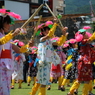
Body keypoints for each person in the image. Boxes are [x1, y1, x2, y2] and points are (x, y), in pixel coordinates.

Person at [29, 20, 68, 95]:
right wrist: (55, 24)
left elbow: (60, 43)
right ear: (43, 32)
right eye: (47, 30)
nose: (49, 31)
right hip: (42, 63)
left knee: (40, 81)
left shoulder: (50, 41)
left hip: (47, 63)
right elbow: (50, 35)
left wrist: (63, 35)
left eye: (49, 30)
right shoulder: (42, 40)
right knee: (42, 81)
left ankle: (33, 93)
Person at [0, 14, 34, 95]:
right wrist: (13, 34)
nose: (9, 25)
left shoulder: (8, 38)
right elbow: (1, 41)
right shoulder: (5, 37)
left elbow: (19, 50)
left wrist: (28, 46)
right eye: (7, 23)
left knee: (6, 88)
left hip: (7, 66)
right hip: (1, 65)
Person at [67, 29, 95, 95]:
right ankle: (82, 93)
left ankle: (71, 92)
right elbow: (91, 38)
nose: (87, 34)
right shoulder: (83, 42)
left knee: (80, 79)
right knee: (86, 80)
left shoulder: (85, 43)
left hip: (84, 62)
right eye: (85, 33)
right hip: (85, 63)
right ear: (81, 36)